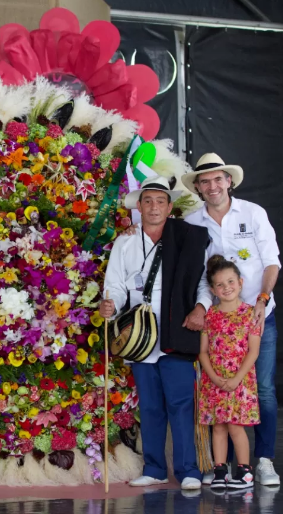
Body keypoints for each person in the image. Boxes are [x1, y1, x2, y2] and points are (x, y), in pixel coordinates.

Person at [100, 176, 209, 490]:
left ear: (170, 206)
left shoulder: (187, 237)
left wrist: (201, 306)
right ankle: (155, 468)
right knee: (149, 405)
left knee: (181, 403)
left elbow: (201, 281)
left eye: (160, 201)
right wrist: (110, 304)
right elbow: (116, 285)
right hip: (139, 332)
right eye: (148, 200)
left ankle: (189, 470)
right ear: (139, 205)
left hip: (177, 327)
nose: (154, 206)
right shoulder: (125, 241)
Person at [181, 153, 282, 487]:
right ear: (197, 187)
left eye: (218, 179)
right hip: (220, 325)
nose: (213, 186)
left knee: (263, 389)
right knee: (219, 393)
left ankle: (263, 460)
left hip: (256, 317)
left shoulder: (253, 214)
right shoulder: (193, 222)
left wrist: (262, 300)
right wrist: (200, 306)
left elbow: (272, 263)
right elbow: (199, 277)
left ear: (229, 181)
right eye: (205, 181)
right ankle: (220, 464)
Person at [198, 255, 261, 490]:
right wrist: (214, 377)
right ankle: (220, 470)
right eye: (220, 285)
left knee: (235, 425)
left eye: (231, 282)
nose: (226, 288)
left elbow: (253, 352)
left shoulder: (250, 314)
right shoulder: (210, 316)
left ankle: (245, 472)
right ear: (213, 289)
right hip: (214, 380)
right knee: (219, 426)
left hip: (240, 381)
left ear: (241, 282)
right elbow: (203, 352)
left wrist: (235, 379)